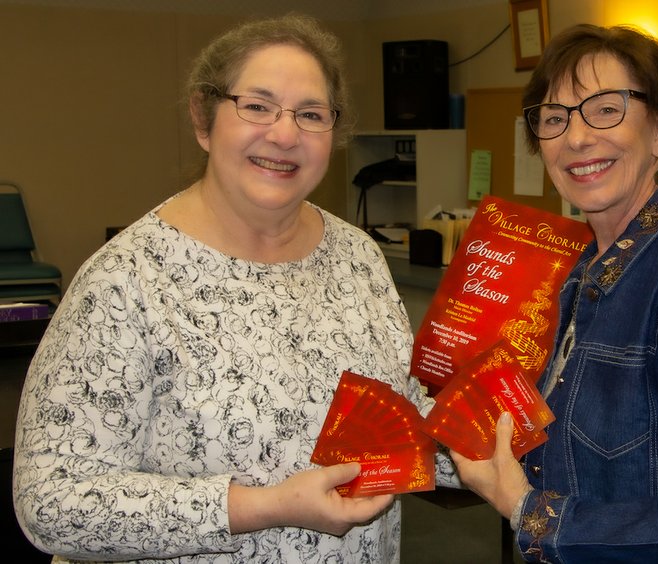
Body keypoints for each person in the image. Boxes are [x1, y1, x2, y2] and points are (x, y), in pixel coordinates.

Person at [13, 13, 454, 563]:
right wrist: (261, 506)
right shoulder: (126, 280)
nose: (285, 133)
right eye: (257, 105)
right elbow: (50, 501)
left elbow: (399, 416)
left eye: (311, 114)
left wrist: (481, 444)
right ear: (204, 117)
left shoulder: (357, 256)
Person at [451, 23, 658, 562]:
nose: (576, 138)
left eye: (605, 108)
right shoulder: (585, 270)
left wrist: (527, 510)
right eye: (554, 118)